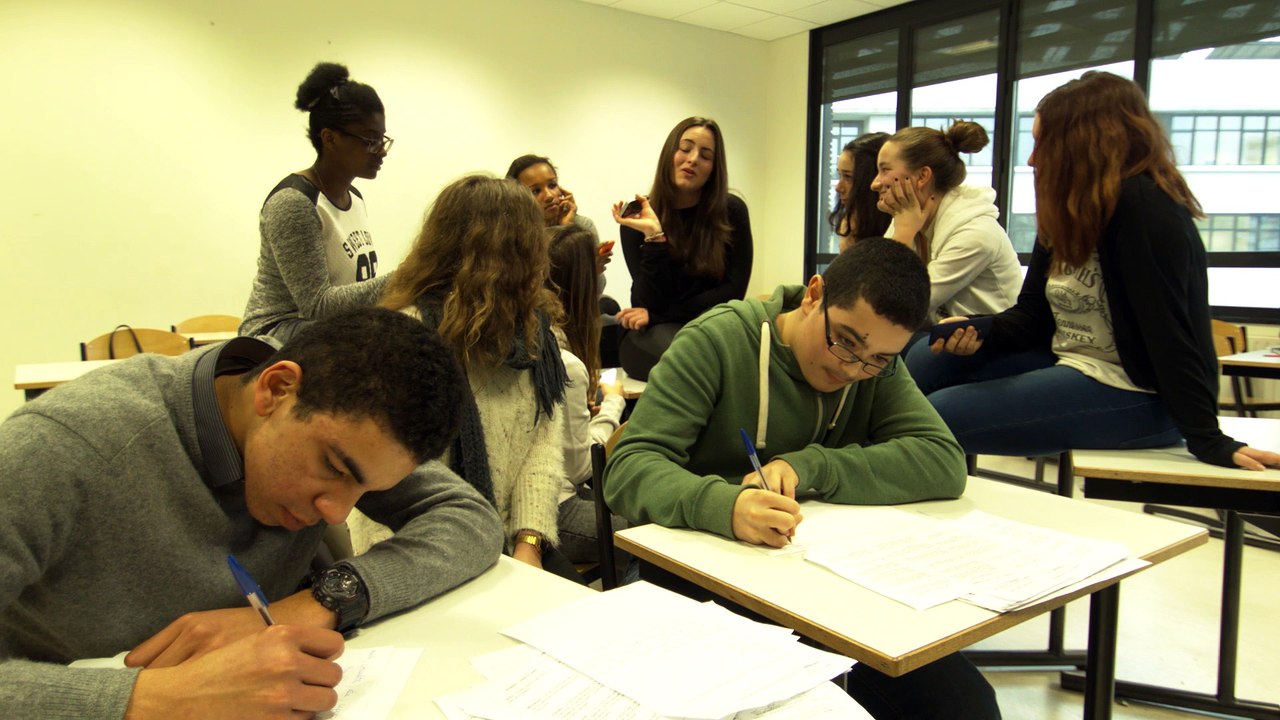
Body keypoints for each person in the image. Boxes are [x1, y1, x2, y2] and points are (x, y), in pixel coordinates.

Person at [0, 308, 504, 718]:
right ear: (276, 390)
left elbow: (469, 517)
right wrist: (162, 697)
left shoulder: (347, 425)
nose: (336, 512)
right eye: (333, 467)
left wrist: (318, 603)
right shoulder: (64, 446)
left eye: (365, 489)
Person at [604, 238, 999, 719]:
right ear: (814, 294)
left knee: (963, 705)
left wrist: (810, 466)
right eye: (845, 342)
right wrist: (723, 506)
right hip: (706, 580)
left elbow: (942, 460)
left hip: (823, 583)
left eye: (877, 359)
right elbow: (630, 465)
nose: (852, 368)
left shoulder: (876, 365)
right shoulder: (718, 341)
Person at [908, 72, 1280, 472]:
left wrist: (1208, 437)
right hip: (1072, 364)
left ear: (1082, 144)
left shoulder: (1146, 208)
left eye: (1042, 143)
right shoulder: (1066, 212)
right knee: (925, 361)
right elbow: (1033, 317)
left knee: (943, 413)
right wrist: (982, 330)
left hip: (1140, 391)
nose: (1033, 159)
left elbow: (1171, 334)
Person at [351, 175, 579, 581]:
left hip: (510, 544)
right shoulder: (408, 338)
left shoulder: (531, 334)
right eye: (529, 244)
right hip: (420, 553)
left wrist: (529, 544)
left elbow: (542, 451)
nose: (539, 257)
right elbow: (384, 485)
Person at [240, 62, 394, 341]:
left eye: (382, 139)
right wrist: (410, 276)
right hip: (274, 336)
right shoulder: (294, 202)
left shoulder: (355, 199)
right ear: (330, 138)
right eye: (370, 140)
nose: (381, 151)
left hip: (328, 331)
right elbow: (318, 305)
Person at [612, 116, 753, 381]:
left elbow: (733, 291)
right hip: (655, 334)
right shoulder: (638, 215)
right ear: (670, 153)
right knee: (687, 360)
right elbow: (650, 298)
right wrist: (654, 237)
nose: (693, 159)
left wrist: (655, 314)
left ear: (714, 168)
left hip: (711, 327)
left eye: (705, 155)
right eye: (685, 148)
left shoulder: (731, 211)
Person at [871, 121, 1020, 327]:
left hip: (995, 345)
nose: (875, 183)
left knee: (905, 351)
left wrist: (903, 233)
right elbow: (874, 292)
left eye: (885, 170)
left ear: (922, 176)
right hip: (943, 334)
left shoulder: (976, 233)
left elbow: (898, 306)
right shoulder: (910, 217)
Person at [546, 224, 629, 567]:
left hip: (552, 497)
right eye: (597, 271)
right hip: (555, 509)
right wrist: (613, 403)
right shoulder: (566, 365)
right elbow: (580, 468)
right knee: (650, 536)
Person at [507, 153, 621, 364]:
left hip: (579, 310)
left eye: (552, 185)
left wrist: (592, 271)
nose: (549, 195)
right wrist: (566, 235)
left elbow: (592, 292)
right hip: (538, 316)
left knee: (612, 314)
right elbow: (538, 296)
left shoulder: (582, 225)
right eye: (536, 191)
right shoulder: (517, 235)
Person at [830, 132, 891, 251]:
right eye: (840, 175)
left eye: (848, 177)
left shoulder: (897, 229)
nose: (838, 188)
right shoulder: (850, 219)